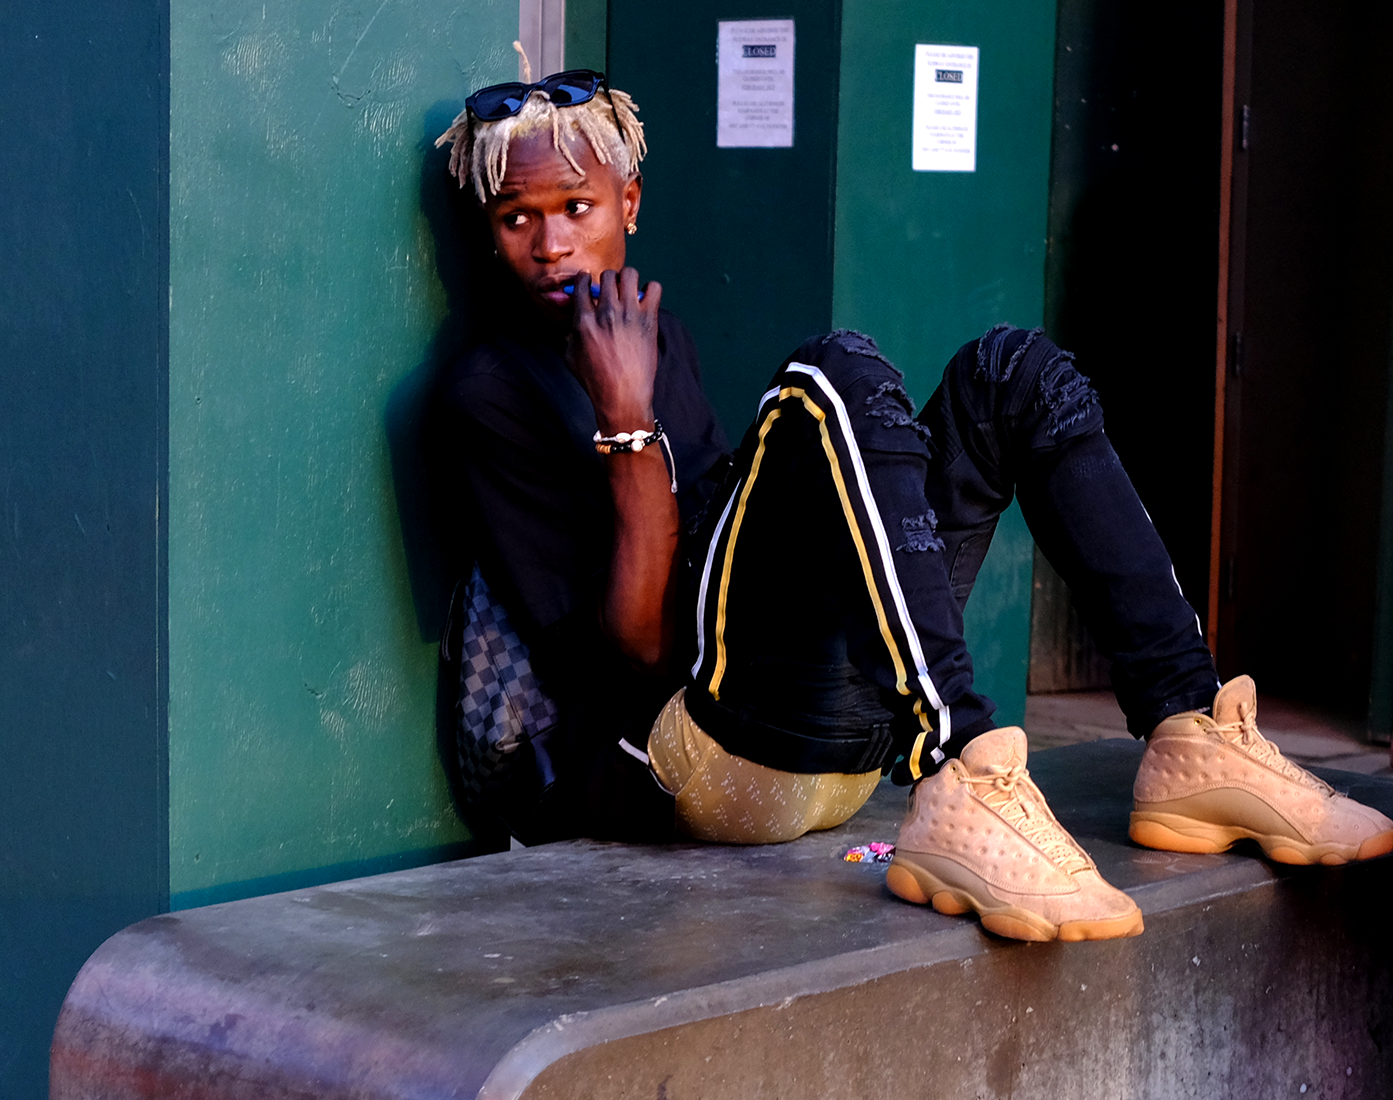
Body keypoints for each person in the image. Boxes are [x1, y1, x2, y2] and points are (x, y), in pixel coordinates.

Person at [430, 64, 1393, 943]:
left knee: (1012, 375)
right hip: (700, 753)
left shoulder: (657, 335)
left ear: (629, 204)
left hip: (823, 718)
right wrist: (626, 422)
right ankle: (963, 765)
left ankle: (1189, 728)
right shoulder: (491, 393)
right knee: (828, 376)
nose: (552, 244)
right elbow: (642, 653)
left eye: (577, 206)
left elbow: (718, 538)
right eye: (517, 218)